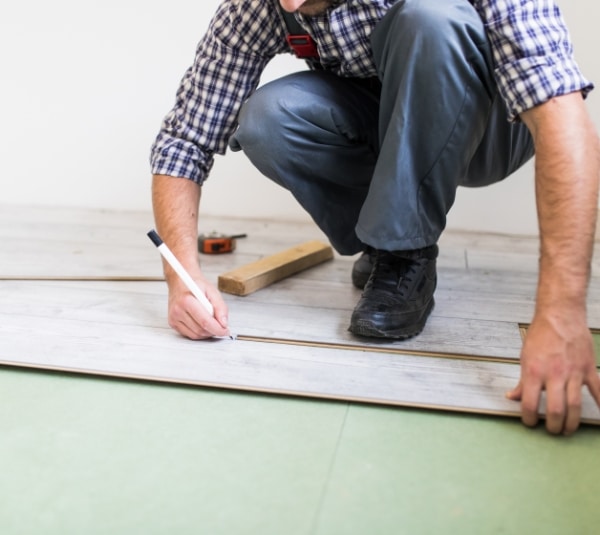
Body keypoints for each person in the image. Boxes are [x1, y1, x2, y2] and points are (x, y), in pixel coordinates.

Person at [150, 0, 600, 435]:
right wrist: (181, 277)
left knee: (431, 19)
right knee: (269, 118)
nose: (287, 4)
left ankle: (402, 247)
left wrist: (561, 312)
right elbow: (184, 139)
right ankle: (392, 249)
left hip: (493, 128)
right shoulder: (258, 7)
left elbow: (561, 112)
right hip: (389, 120)